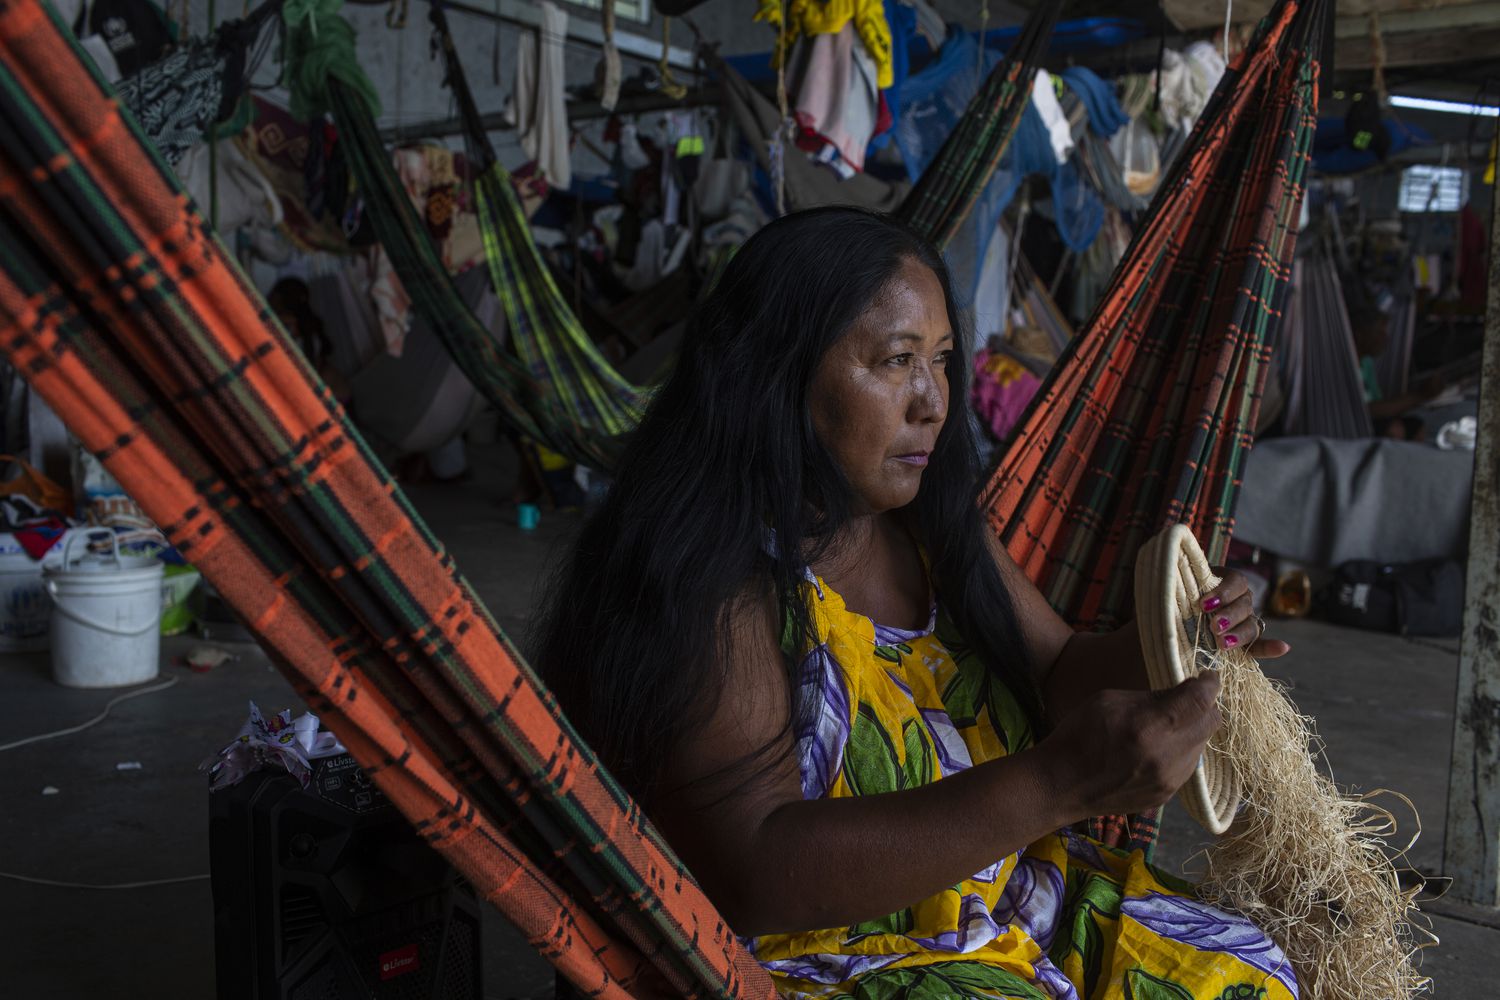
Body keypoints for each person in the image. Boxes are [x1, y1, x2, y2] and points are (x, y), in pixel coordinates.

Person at [535, 208, 1296, 1000]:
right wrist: (1059, 783)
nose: (933, 402)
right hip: (828, 959)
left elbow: (1060, 670)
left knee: (1248, 974)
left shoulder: (929, 527)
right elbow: (754, 870)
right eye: (897, 361)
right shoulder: (715, 584)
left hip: (999, 903)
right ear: (778, 372)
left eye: (940, 360)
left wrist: (1175, 638)